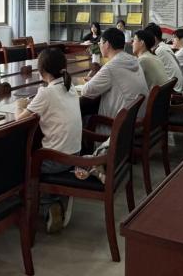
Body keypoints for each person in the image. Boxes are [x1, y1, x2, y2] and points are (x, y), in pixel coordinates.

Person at [16, 49, 82, 233]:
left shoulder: (46, 93)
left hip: (55, 161)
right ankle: (56, 200)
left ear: (42, 71)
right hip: (75, 154)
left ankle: (47, 205)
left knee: (23, 164)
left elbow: (19, 120)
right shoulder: (70, 87)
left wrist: (19, 106)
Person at [81, 28, 149, 119]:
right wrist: (96, 80)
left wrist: (93, 80)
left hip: (118, 123)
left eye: (100, 42)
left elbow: (86, 91)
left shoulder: (111, 67)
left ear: (107, 44)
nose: (99, 45)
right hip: (136, 118)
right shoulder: (133, 60)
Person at [144, 23, 183, 93]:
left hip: (173, 89)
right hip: (176, 85)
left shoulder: (159, 50)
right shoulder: (163, 47)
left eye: (146, 38)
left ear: (154, 38)